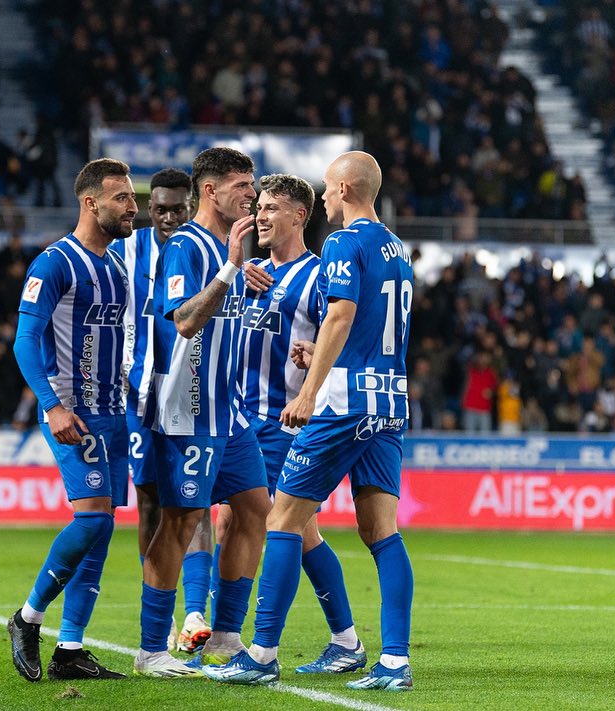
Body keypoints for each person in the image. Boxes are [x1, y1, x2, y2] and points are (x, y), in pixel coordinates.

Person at [203, 151, 415, 691]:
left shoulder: (342, 243)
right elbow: (368, 328)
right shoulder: (397, 248)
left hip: (339, 404)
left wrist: (310, 391)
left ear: (344, 189)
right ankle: (392, 660)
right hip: (388, 399)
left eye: (326, 187)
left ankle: (260, 652)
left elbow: (341, 316)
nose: (323, 196)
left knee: (282, 522)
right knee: (380, 531)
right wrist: (316, 355)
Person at [133, 147, 274, 678]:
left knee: (256, 509)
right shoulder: (186, 246)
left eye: (253, 184)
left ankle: (225, 636)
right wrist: (231, 269)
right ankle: (151, 649)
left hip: (228, 410)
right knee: (180, 521)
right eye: (242, 185)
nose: (252, 195)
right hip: (187, 409)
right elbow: (185, 320)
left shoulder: (228, 247)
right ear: (210, 191)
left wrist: (240, 273)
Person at [229, 173, 367, 676]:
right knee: (294, 530)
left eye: (270, 208)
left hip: (282, 420)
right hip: (240, 415)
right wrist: (234, 275)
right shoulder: (253, 274)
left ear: (298, 215)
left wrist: (314, 374)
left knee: (271, 525)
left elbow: (347, 334)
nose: (260, 216)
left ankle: (244, 643)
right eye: (258, 207)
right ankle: (344, 640)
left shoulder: (320, 274)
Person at [6, 158, 134, 682]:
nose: (132, 207)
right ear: (90, 202)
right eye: (122, 198)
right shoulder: (54, 263)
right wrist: (52, 405)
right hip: (72, 412)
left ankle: (71, 649)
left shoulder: (118, 266)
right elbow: (24, 341)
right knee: (93, 520)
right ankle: (28, 617)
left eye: (132, 197)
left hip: (114, 411)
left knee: (102, 528)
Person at [109, 168, 213, 654]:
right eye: (160, 209)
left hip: (193, 390)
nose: (169, 217)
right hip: (138, 393)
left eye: (178, 209)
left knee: (196, 499)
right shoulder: (125, 250)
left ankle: (196, 611)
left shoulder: (206, 249)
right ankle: (163, 609)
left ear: (191, 206)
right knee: (149, 499)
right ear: (149, 209)